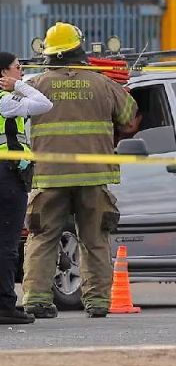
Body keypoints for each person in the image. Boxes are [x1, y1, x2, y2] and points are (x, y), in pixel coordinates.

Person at [21, 22, 139, 319]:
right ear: (79, 49)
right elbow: (129, 119)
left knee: (42, 238)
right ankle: (98, 302)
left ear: (49, 53)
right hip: (93, 175)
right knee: (95, 239)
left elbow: (13, 119)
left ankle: (36, 299)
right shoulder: (103, 84)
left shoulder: (36, 85)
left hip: (49, 176)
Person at [0, 52, 53, 324]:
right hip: (7, 178)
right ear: (4, 73)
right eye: (18, 68)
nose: (22, 72)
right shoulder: (4, 100)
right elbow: (44, 104)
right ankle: (4, 305)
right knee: (7, 246)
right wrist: (17, 85)